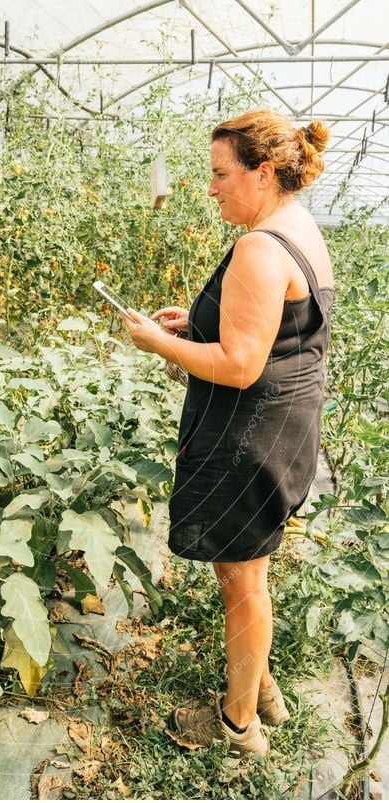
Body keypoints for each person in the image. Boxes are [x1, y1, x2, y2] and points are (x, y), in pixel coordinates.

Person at [122, 109, 334, 757]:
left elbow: (241, 365)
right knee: (244, 572)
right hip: (283, 428)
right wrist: (199, 321)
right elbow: (276, 329)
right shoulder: (296, 228)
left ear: (262, 172)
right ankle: (263, 686)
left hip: (251, 435)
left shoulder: (259, 246)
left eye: (220, 174)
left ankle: (239, 726)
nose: (210, 188)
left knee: (243, 582)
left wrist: (159, 342)